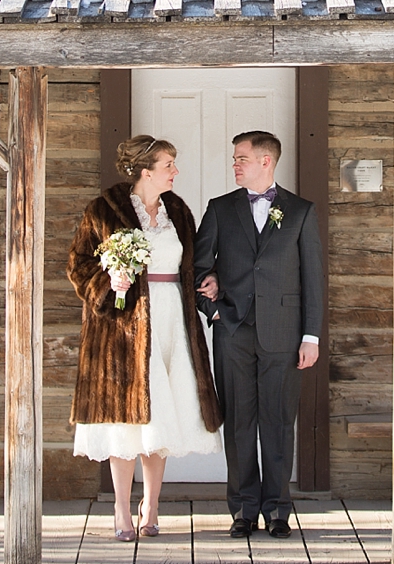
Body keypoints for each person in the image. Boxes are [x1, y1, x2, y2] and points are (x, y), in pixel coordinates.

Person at [68, 135, 222, 541]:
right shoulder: (102, 210)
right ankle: (121, 510)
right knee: (126, 422)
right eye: (169, 164)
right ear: (145, 171)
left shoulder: (179, 211)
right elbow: (78, 264)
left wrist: (208, 281)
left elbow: (193, 261)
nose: (175, 171)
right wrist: (108, 281)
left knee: (161, 420)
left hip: (173, 320)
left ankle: (151, 506)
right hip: (122, 328)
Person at [194, 130, 323, 539]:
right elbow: (197, 270)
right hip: (232, 332)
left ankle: (278, 510)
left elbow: (313, 279)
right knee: (239, 423)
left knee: (279, 422)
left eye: (242, 158)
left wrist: (311, 336)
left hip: (284, 336)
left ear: (266, 161)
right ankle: (243, 510)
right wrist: (213, 310)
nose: (235, 164)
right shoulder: (219, 209)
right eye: (235, 159)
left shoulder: (300, 211)